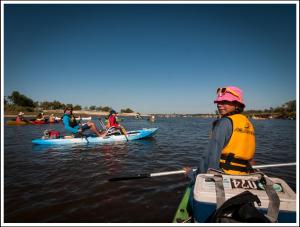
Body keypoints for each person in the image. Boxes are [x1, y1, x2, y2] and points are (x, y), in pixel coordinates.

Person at [185, 86, 256, 178]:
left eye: (224, 102)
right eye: (218, 102)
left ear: (237, 105)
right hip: (244, 175)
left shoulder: (224, 123)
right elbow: (249, 158)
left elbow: (210, 157)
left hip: (225, 176)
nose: (219, 105)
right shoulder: (247, 122)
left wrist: (192, 174)